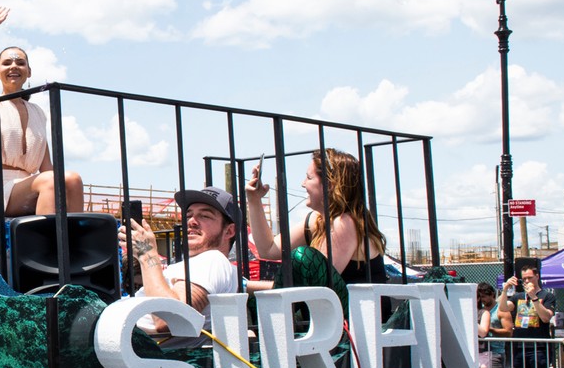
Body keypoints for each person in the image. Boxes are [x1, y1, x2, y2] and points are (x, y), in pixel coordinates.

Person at [0, 6, 83, 219]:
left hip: (32, 184)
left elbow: (47, 167)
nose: (14, 66)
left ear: (28, 72)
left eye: (20, 63)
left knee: (72, 179)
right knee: (50, 181)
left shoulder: (37, 112)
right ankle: (45, 250)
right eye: (7, 62)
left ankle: (74, 246)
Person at [120, 186, 240, 348]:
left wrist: (147, 254)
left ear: (229, 231)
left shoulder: (213, 259)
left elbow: (171, 318)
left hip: (121, 344)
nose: (191, 221)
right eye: (188, 215)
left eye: (205, 216)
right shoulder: (212, 266)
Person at [245, 148, 387, 285]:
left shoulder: (345, 223)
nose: (303, 183)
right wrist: (254, 200)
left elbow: (316, 287)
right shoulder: (316, 219)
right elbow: (268, 250)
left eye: (309, 177)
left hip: (358, 309)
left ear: (329, 185)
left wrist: (246, 286)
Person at [500, 264, 557, 368]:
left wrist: (533, 297)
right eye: (523, 278)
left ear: (537, 277)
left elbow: (546, 317)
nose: (526, 281)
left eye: (529, 278)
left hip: (539, 347)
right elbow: (502, 308)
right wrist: (504, 290)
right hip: (520, 347)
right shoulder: (518, 296)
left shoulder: (547, 296)